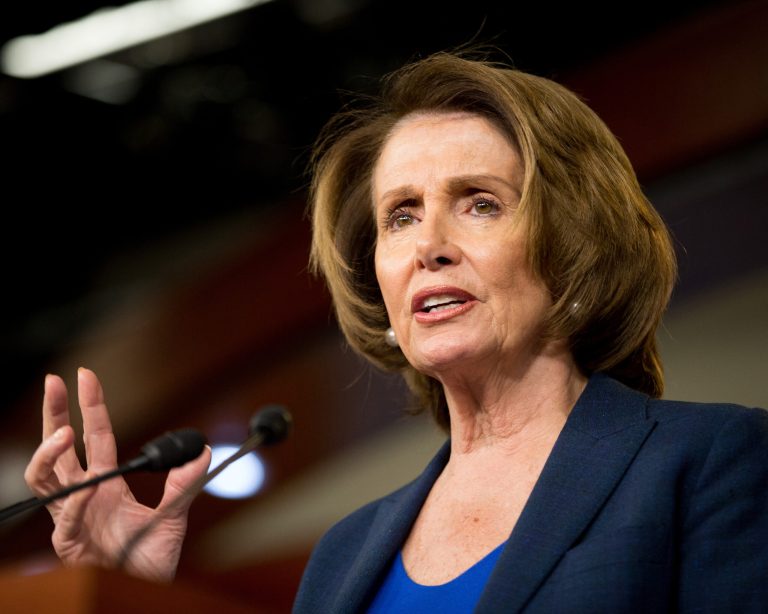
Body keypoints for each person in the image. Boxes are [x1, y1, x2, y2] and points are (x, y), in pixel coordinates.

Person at [24, 52, 768, 611]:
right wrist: (135, 595)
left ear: (573, 249)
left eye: (479, 203)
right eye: (400, 215)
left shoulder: (704, 464)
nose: (428, 245)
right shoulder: (343, 557)